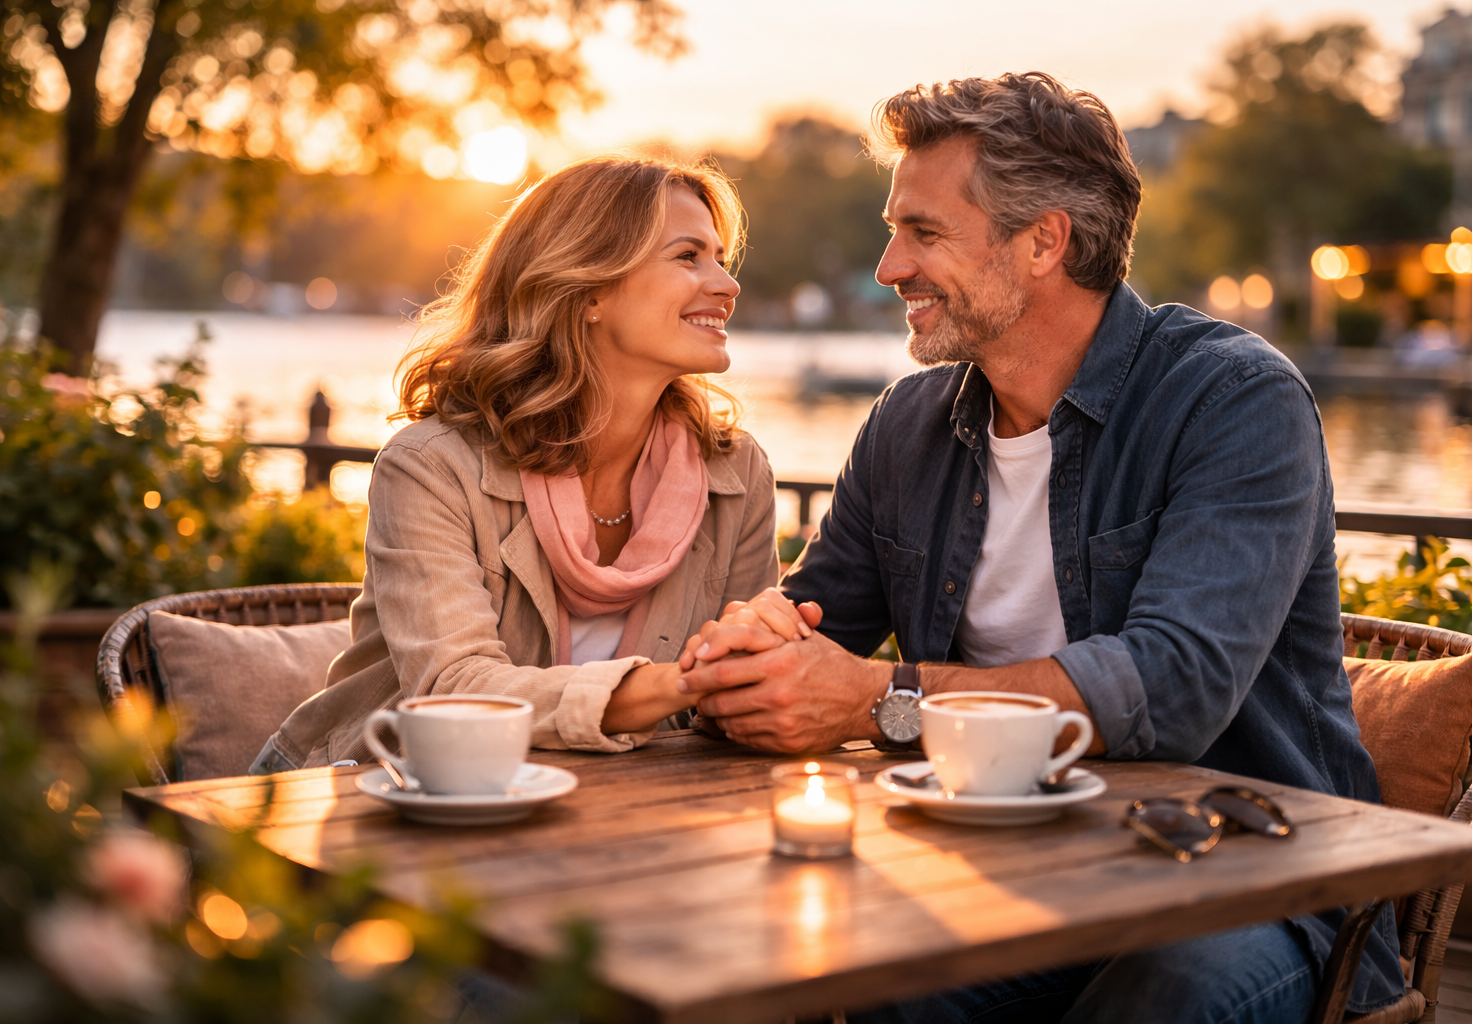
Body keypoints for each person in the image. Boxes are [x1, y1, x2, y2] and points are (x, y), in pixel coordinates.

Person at [677, 73, 1403, 1022]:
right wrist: (753, 654)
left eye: (924, 233)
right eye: (894, 229)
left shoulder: (1233, 400)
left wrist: (881, 698)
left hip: (1246, 878)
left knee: (1161, 1002)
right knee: (834, 975)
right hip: (1006, 864)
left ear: (1043, 242)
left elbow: (1169, 686)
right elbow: (818, 621)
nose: (890, 265)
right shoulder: (908, 425)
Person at [251, 156, 779, 774]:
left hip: (615, 813)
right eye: (688, 256)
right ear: (589, 291)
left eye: (719, 257)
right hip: (381, 803)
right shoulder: (429, 468)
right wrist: (682, 685)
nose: (727, 283)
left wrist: (766, 655)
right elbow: (455, 691)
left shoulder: (738, 474)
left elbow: (742, 697)